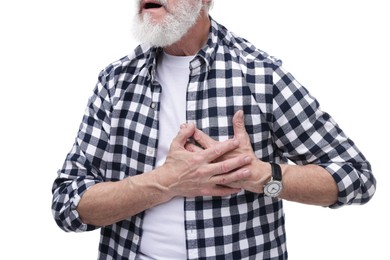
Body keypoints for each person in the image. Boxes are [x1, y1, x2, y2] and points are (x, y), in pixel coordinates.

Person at [51, 0, 376, 259]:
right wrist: (165, 181)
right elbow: (67, 204)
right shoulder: (115, 82)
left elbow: (356, 178)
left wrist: (264, 178)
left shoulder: (260, 76)